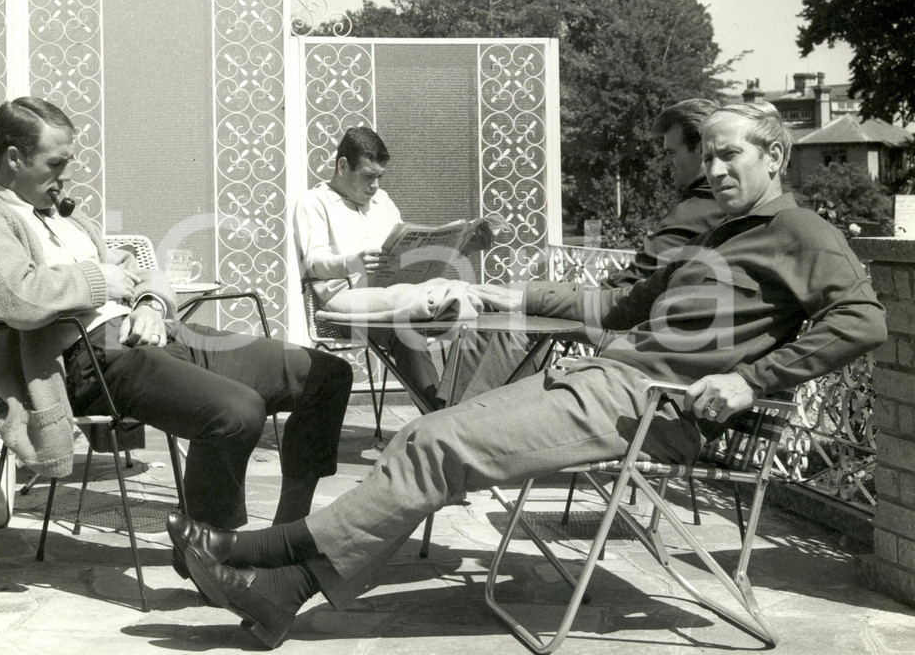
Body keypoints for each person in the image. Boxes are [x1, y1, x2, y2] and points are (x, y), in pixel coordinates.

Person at [169, 101, 887, 650]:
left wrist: (751, 381)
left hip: (650, 409)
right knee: (425, 435)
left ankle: (252, 552)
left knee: (432, 447)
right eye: (711, 157)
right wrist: (515, 295)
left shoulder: (803, 233)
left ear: (776, 156)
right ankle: (278, 591)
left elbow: (863, 321)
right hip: (608, 380)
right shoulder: (712, 231)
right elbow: (618, 304)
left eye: (732, 156)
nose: (717, 170)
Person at [0, 97, 354, 579]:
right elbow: (16, 297)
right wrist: (99, 279)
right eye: (55, 163)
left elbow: (144, 275)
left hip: (150, 335)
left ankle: (285, 536)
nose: (66, 177)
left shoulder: (70, 219)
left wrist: (150, 306)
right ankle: (209, 557)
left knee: (325, 375)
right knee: (236, 411)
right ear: (14, 158)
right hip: (86, 357)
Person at [294, 126, 531, 408]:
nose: (375, 186)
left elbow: (406, 253)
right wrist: (351, 261)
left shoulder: (382, 202)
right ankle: (439, 416)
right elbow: (315, 262)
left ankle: (470, 404)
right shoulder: (314, 202)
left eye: (380, 177)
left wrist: (460, 248)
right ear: (343, 166)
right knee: (407, 328)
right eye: (368, 176)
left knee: (472, 306)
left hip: (397, 292)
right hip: (345, 302)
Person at [603, 98, 727, 288]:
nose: (665, 162)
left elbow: (626, 286)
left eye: (672, 152)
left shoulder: (695, 213)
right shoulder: (742, 204)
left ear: (703, 151)